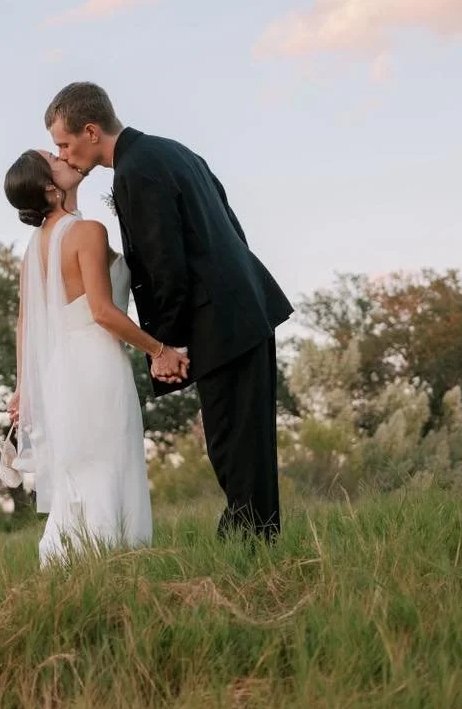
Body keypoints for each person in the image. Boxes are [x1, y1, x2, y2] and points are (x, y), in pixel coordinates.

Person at [45, 82, 293, 541]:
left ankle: (247, 551)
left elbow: (165, 266)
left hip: (217, 322)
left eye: (63, 142)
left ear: (91, 131)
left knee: (232, 445)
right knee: (251, 442)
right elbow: (229, 223)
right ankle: (260, 549)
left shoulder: (134, 171)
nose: (61, 153)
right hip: (246, 307)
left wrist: (169, 346)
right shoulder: (174, 151)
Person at [3, 148, 188, 566]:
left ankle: (77, 566)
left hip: (56, 372)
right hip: (95, 363)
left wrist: (24, 388)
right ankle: (115, 560)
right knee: (108, 462)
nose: (62, 156)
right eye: (53, 158)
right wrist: (160, 350)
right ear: (51, 187)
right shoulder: (86, 231)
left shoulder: (34, 249)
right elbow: (103, 312)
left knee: (80, 468)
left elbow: (25, 324)